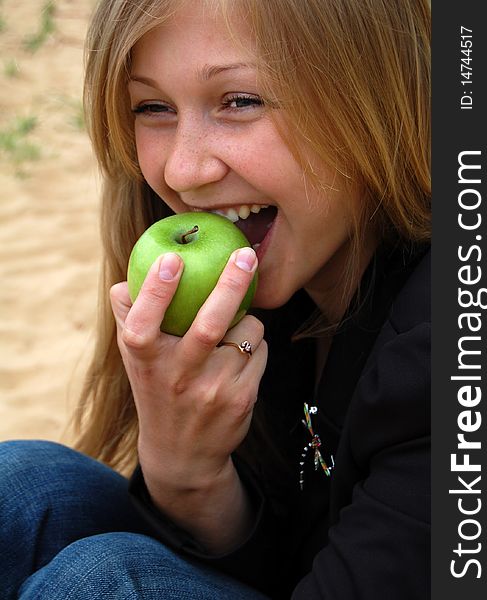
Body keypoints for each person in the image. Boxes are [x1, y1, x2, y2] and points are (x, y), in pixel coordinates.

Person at [0, 0, 431, 598]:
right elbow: (287, 563)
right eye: (152, 107)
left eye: (241, 101)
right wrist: (188, 473)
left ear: (376, 93)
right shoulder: (277, 295)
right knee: (18, 486)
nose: (183, 171)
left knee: (98, 583)